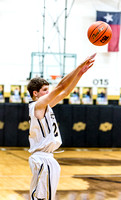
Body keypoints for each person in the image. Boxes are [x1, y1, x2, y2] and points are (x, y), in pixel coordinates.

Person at [27, 53, 96, 200]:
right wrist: (78, 67)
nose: (49, 92)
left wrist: (80, 74)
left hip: (48, 158)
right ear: (35, 93)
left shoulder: (45, 105)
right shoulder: (37, 105)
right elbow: (61, 86)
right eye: (45, 90)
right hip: (42, 158)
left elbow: (65, 91)